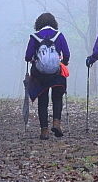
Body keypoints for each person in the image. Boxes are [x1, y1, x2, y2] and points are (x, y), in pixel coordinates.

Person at [24, 12, 70, 140]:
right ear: (53, 23)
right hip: (56, 73)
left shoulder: (34, 37)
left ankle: (44, 131)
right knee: (57, 98)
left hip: (40, 75)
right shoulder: (59, 36)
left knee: (43, 101)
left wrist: (35, 59)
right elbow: (66, 53)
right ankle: (56, 123)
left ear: (39, 24)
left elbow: (27, 56)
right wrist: (63, 62)